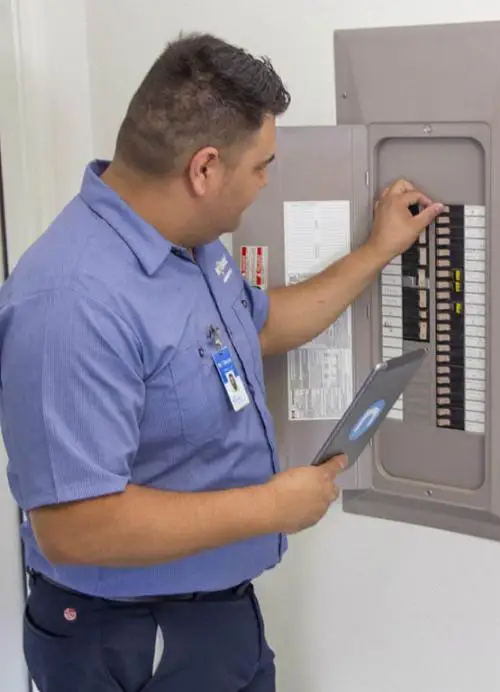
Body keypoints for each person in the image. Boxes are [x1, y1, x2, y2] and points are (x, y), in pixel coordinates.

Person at [0, 32, 442, 692]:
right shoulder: (72, 301)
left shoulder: (189, 247)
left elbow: (261, 326)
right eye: (261, 165)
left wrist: (378, 251)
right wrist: (271, 506)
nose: (265, 183)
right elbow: (75, 527)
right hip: (127, 639)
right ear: (204, 170)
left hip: (216, 620)